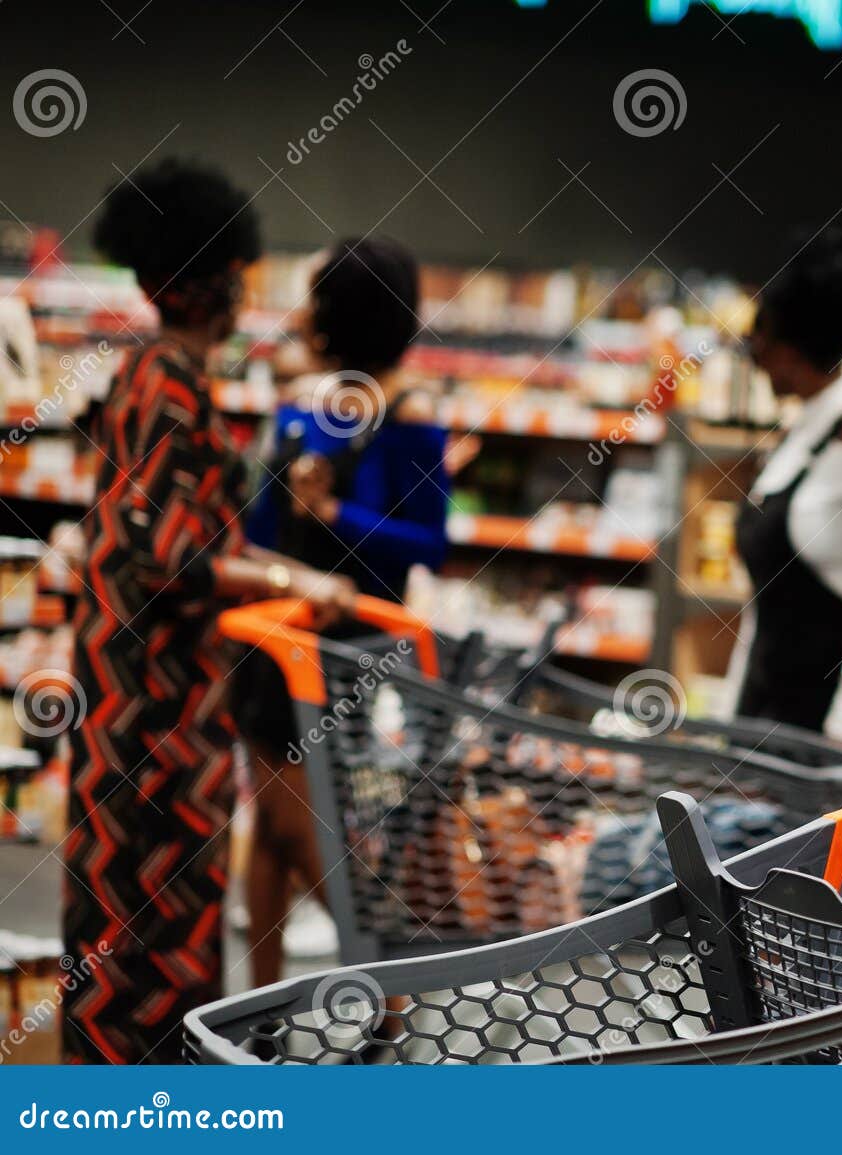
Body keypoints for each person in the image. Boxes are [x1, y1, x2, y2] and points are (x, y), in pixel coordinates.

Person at [62, 158, 354, 1064]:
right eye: (235, 273)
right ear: (202, 283)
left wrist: (278, 570)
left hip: (147, 692)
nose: (245, 292)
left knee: (149, 914)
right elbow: (172, 556)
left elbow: (192, 538)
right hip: (151, 709)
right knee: (150, 920)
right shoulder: (169, 386)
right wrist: (290, 583)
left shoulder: (152, 376)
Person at [238, 236, 449, 986]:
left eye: (316, 295)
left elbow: (431, 540)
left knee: (303, 830)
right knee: (269, 828)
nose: (304, 311)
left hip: (341, 651)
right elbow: (267, 525)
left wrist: (332, 512)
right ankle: (259, 1007)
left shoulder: (410, 412)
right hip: (273, 634)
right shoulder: (317, 401)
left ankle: (387, 991)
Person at [724, 229, 842, 795]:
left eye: (758, 341)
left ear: (789, 348)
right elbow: (765, 604)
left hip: (840, 732)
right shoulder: (802, 433)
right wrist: (739, 712)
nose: (753, 357)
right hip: (776, 712)